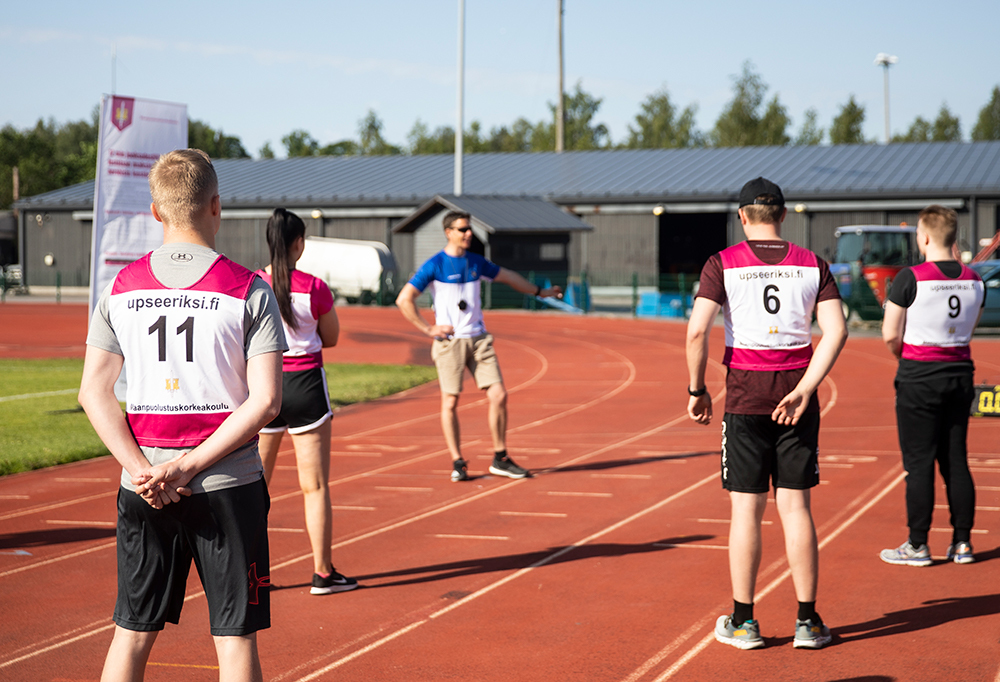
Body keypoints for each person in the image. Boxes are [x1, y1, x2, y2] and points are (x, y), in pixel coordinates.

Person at [78, 149, 286, 682]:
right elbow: (266, 401)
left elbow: (93, 393)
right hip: (227, 486)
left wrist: (144, 471)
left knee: (130, 635)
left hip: (144, 487)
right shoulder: (248, 288)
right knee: (234, 642)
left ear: (155, 211)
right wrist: (188, 466)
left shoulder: (120, 288)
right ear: (216, 206)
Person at [685, 177, 847, 651]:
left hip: (745, 397)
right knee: (796, 507)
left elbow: (696, 332)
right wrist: (806, 389)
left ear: (742, 216)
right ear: (783, 214)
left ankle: (743, 621)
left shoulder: (722, 263)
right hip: (797, 395)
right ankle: (807, 622)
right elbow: (836, 331)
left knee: (746, 510)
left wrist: (697, 389)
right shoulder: (813, 263)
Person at [395, 210, 562, 481]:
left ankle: (500, 458)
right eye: (462, 229)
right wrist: (428, 328)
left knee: (499, 395)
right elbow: (404, 299)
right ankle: (457, 461)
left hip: (479, 339)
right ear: (449, 232)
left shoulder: (476, 262)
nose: (468, 233)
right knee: (450, 401)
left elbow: (509, 276)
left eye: (469, 229)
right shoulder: (435, 265)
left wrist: (540, 292)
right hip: (450, 343)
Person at [255, 208, 358, 595]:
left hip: (264, 386)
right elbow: (330, 337)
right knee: (314, 487)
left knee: (254, 489)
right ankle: (323, 573)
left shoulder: (252, 284)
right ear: (299, 244)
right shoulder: (314, 287)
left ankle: (253, 576)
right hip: (307, 386)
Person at [879, 205, 984, 567]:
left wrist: (905, 357)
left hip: (919, 375)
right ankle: (963, 542)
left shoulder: (910, 277)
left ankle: (918, 544)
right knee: (956, 459)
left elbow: (890, 333)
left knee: (919, 462)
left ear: (923, 237)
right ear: (954, 238)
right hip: (960, 372)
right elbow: (970, 327)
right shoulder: (975, 279)